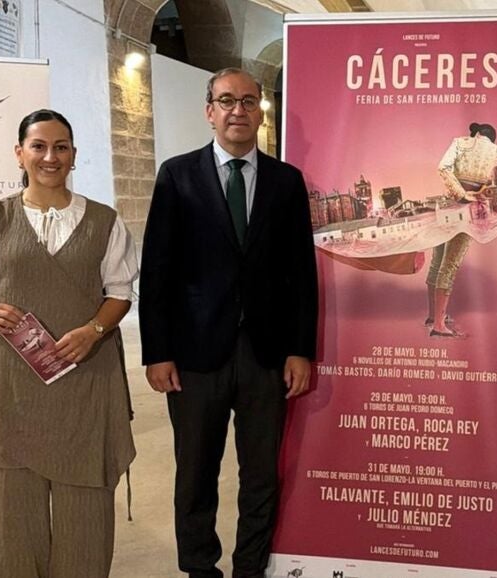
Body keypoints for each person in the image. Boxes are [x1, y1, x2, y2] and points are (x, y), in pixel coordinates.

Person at [139, 68, 318, 578]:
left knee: (261, 474)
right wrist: (157, 352)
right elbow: (157, 270)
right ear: (209, 111)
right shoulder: (178, 175)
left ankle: (249, 568)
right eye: (226, 100)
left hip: (266, 353)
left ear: (261, 112)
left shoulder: (286, 182)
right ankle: (200, 568)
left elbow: (301, 274)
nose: (238, 110)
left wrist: (300, 349)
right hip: (195, 355)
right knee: (196, 472)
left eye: (248, 101)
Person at [0, 109, 137, 577]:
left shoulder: (105, 221)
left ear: (73, 155)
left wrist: (94, 331)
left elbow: (119, 293)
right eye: (39, 146)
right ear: (20, 154)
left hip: (85, 384)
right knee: (14, 515)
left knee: (86, 511)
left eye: (61, 147)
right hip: (11, 386)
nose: (50, 157)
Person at [428, 122, 497, 337]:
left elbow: (443, 167)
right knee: (449, 265)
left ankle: (433, 315)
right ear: (492, 138)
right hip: (469, 210)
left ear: (476, 134)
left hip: (445, 206)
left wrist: (459, 193)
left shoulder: (460, 143)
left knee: (437, 260)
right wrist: (485, 192)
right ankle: (438, 324)